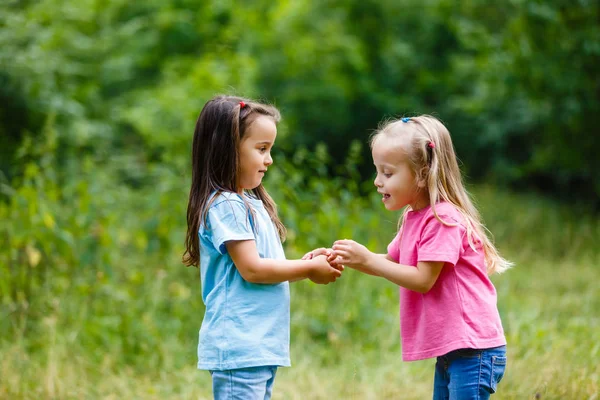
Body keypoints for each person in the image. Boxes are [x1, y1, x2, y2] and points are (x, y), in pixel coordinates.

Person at [328, 115, 511, 399]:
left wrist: (366, 259)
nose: (377, 181)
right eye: (377, 171)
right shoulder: (415, 217)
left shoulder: (443, 218)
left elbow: (423, 279)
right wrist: (347, 257)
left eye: (388, 173)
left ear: (423, 174)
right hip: (455, 348)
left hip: (474, 348)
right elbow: (391, 263)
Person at [182, 95, 342, 400]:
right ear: (228, 150)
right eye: (261, 149)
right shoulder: (226, 204)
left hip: (258, 345)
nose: (269, 159)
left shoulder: (249, 202)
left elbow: (265, 266)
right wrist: (308, 270)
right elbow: (253, 269)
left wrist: (306, 262)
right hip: (241, 344)